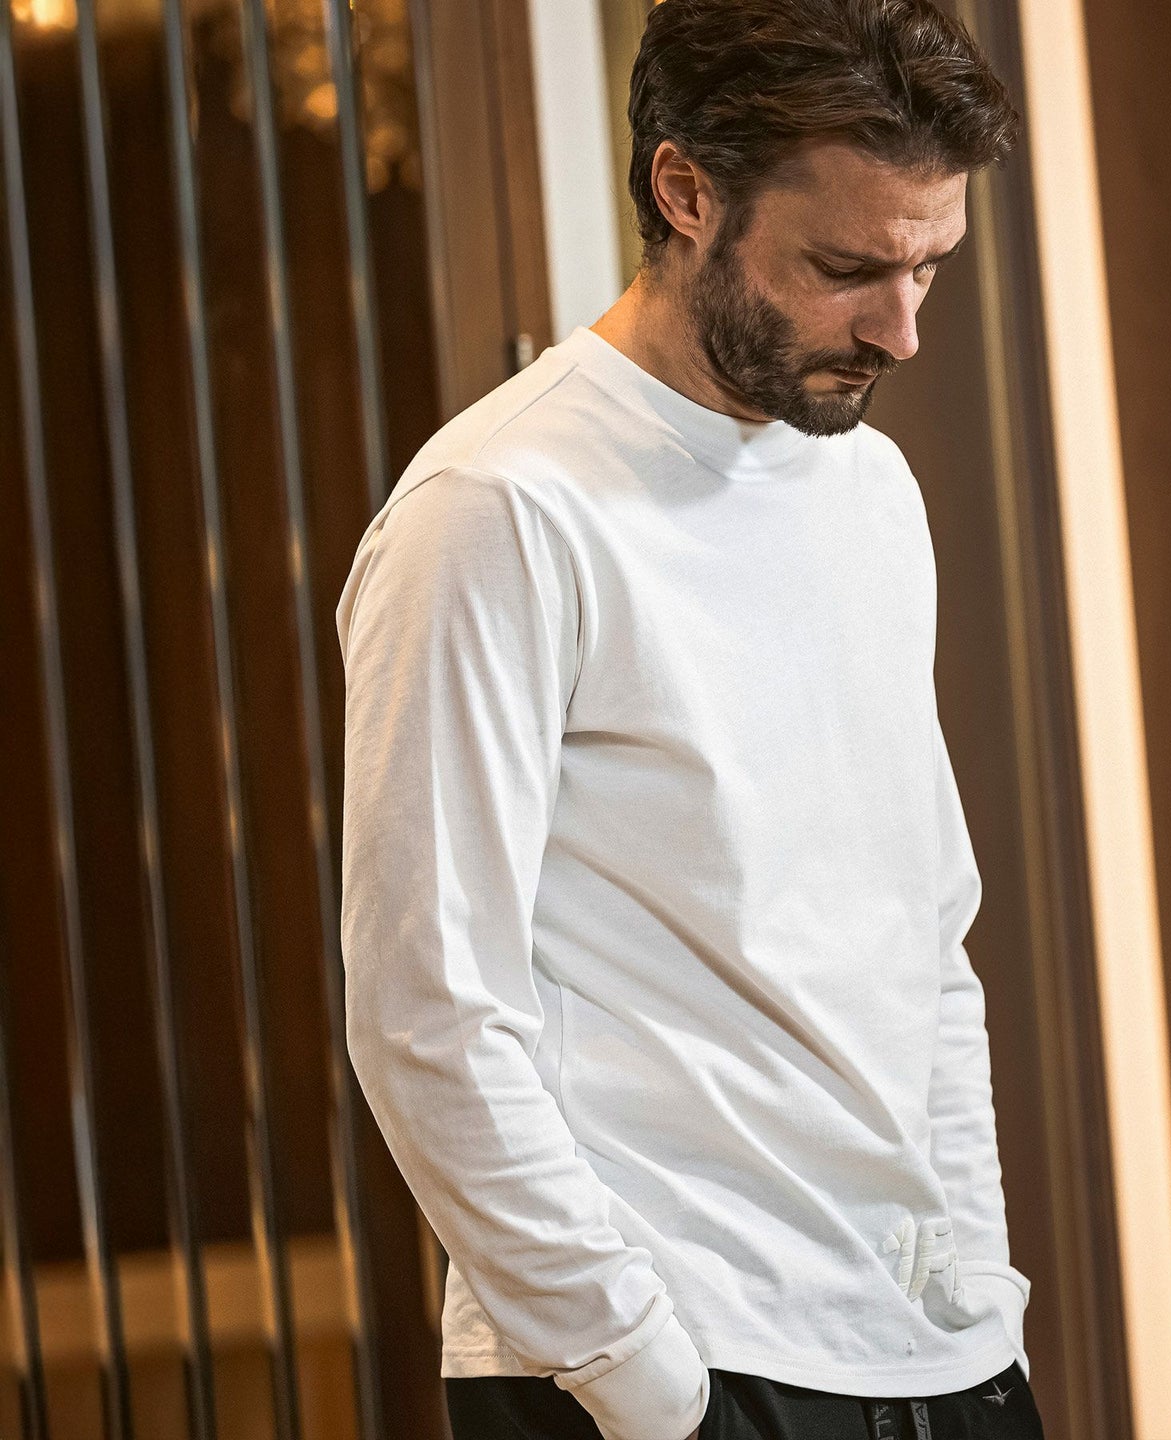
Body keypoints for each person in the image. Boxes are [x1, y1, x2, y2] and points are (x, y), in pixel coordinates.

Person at [335, 1, 1048, 1437]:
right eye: (847, 269)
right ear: (686, 192)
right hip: (668, 1374)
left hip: (934, 1359)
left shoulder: (872, 493)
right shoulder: (497, 511)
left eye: (929, 266)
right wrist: (643, 1381)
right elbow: (429, 1011)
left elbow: (925, 943)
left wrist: (980, 1288)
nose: (903, 330)